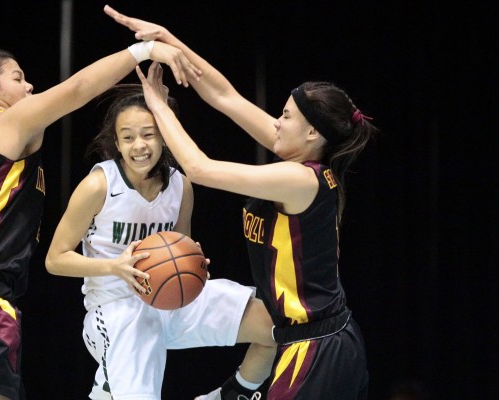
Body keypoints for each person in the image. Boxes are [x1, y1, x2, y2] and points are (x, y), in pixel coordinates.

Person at [106, 5, 379, 399]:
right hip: (307, 340)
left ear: (312, 133)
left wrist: (159, 107)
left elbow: (199, 168)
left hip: (317, 347)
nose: (276, 123)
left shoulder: (299, 178)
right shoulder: (298, 157)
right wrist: (168, 40)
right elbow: (223, 95)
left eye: (285, 116)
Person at [0, 39, 202, 400]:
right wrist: (144, 51)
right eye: (18, 78)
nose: (30, 86)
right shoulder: (5, 124)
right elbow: (77, 88)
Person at [45, 85, 277, 400]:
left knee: (275, 326)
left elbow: (181, 247)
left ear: (164, 136)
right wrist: (115, 267)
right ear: (117, 143)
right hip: (116, 310)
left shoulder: (181, 186)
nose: (138, 145)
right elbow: (55, 260)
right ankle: (109, 387)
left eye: (148, 134)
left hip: (171, 300)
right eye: (127, 137)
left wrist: (194, 264)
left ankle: (229, 395)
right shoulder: (99, 185)